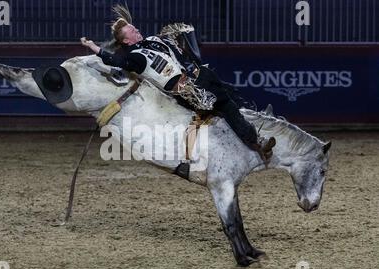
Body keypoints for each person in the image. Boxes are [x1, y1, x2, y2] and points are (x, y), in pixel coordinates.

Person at [80, 5, 275, 162]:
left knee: (230, 92)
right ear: (126, 40)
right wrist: (95, 49)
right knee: (227, 106)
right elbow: (117, 62)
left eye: (133, 27)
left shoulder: (154, 40)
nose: (136, 29)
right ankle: (256, 141)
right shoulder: (135, 58)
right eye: (131, 30)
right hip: (186, 90)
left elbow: (179, 42)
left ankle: (257, 119)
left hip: (198, 76)